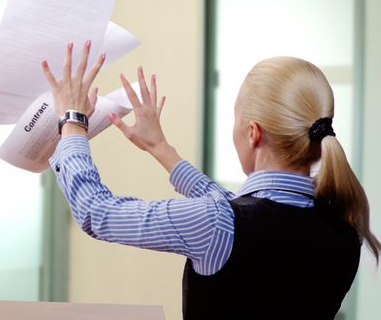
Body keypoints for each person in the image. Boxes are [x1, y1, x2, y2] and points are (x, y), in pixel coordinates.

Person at [42, 41, 380, 320]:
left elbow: (97, 213)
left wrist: (72, 121)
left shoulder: (220, 224)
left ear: (253, 133)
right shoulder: (345, 228)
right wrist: (162, 150)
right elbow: (244, 214)